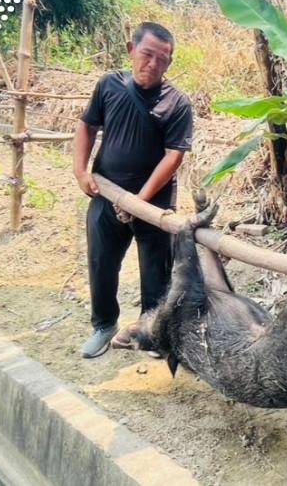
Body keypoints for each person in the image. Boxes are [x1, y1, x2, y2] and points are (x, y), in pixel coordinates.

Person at [74, 22, 194, 359]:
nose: (153, 64)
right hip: (106, 193)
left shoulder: (177, 103)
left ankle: (152, 331)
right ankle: (104, 325)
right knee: (101, 262)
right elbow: (87, 126)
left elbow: (174, 156)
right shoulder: (109, 86)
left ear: (169, 63)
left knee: (156, 269)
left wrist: (140, 201)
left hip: (152, 204)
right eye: (147, 55)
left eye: (163, 59)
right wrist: (80, 171)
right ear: (131, 50)